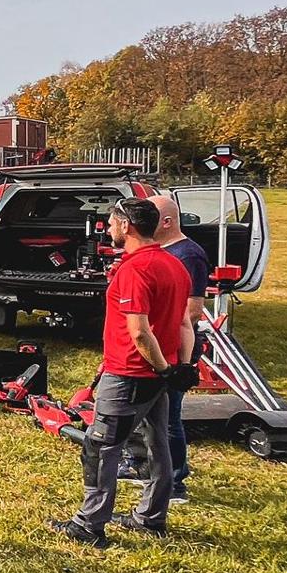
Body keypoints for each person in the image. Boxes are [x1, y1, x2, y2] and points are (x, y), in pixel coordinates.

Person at [49, 198, 195, 548]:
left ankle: (89, 524)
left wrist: (161, 367)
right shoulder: (174, 265)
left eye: (112, 223)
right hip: (162, 375)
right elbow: (185, 322)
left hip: (130, 373)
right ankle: (150, 517)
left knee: (102, 447)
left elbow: (141, 332)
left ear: (127, 226)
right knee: (156, 443)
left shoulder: (135, 270)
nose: (109, 229)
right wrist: (181, 368)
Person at [121, 194, 209, 504]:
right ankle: (139, 466)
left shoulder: (188, 255)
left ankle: (175, 482)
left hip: (170, 353)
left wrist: (175, 364)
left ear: (167, 222)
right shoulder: (156, 255)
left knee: (167, 419)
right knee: (146, 418)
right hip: (149, 351)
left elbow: (192, 313)